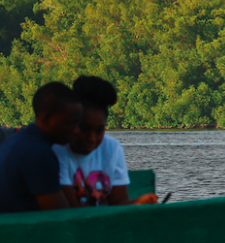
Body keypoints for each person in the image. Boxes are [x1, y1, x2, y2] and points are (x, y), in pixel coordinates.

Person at [52, 76, 158, 207]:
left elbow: (119, 202)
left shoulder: (112, 148)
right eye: (84, 129)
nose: (92, 138)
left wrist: (138, 203)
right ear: (72, 123)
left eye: (99, 130)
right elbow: (70, 210)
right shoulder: (57, 149)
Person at [0, 82, 82, 213]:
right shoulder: (37, 153)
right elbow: (60, 216)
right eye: (70, 123)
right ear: (46, 119)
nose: (76, 130)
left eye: (78, 124)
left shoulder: (17, 140)